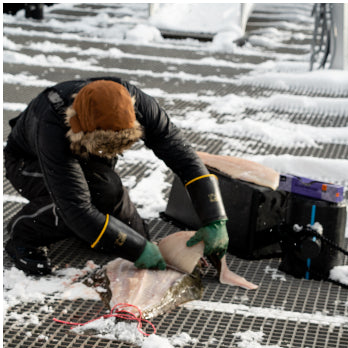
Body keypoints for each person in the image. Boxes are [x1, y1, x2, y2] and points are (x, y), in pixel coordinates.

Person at [4, 77, 229, 276]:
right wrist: (137, 249)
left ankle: (83, 228)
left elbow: (185, 159)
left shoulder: (139, 104)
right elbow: (76, 206)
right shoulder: (53, 123)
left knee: (133, 231)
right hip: (28, 163)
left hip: (87, 164)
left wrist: (214, 217)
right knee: (90, 213)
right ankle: (23, 233)